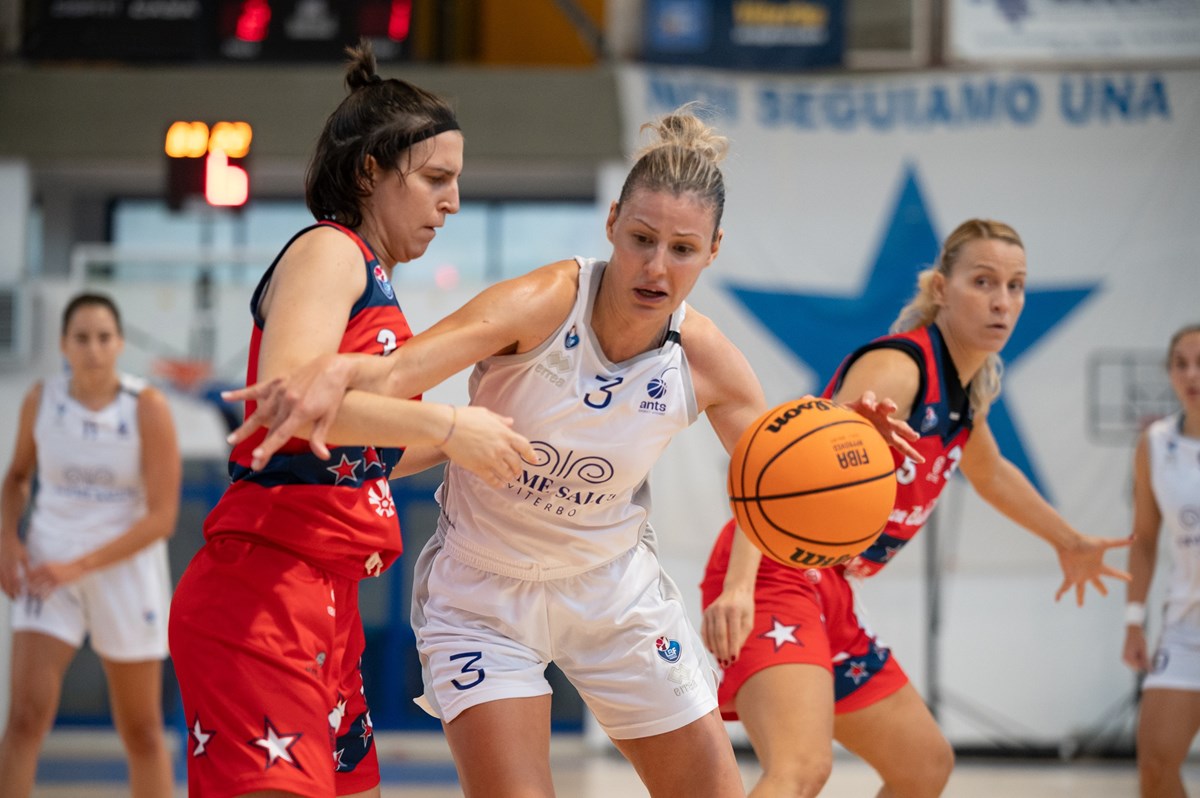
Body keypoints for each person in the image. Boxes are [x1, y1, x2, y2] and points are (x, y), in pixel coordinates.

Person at [222, 106, 924, 798]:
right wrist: (332, 374)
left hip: (612, 590)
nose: (656, 266)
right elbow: (399, 373)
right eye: (641, 238)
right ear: (612, 221)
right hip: (482, 593)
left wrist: (841, 438)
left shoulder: (705, 359)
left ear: (712, 251)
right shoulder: (540, 301)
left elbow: (776, 465)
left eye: (682, 250)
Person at [167, 42, 533, 798]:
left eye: (456, 181)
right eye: (435, 179)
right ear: (371, 171)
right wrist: (450, 428)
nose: (453, 203)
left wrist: (488, 434)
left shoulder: (377, 286)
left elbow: (365, 453)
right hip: (263, 593)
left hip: (329, 604)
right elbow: (288, 402)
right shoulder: (329, 250)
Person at [700, 218, 1133, 798]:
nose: (1002, 301)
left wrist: (1069, 541)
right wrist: (737, 587)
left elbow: (991, 473)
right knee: (801, 768)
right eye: (984, 281)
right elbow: (780, 474)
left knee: (924, 765)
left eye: (1015, 286)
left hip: (828, 584)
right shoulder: (900, 369)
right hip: (773, 569)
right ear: (941, 290)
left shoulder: (964, 394)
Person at [0, 292, 180, 798]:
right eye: (82, 338)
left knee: (141, 730)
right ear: (64, 345)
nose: (93, 349)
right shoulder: (42, 399)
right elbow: (16, 478)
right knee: (25, 718)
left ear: (120, 344)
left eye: (104, 337)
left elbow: (162, 518)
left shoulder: (147, 406)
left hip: (123, 571)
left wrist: (78, 566)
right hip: (48, 568)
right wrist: (7, 538)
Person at [1122, 324, 1200, 798]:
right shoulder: (1155, 442)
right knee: (1154, 767)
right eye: (1181, 364)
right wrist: (1134, 621)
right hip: (1185, 626)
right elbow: (1145, 539)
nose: (1192, 374)